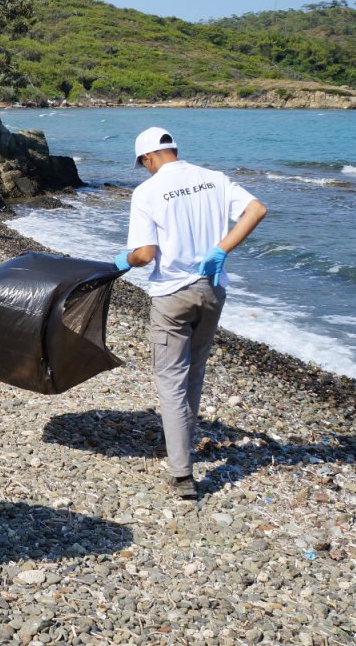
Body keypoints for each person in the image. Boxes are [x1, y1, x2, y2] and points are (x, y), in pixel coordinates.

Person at [114, 127, 267, 499]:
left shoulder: (147, 191)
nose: (145, 169)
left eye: (143, 164)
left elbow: (146, 254)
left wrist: (124, 259)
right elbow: (256, 210)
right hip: (212, 289)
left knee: (170, 380)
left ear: (148, 158)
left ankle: (182, 473)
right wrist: (221, 249)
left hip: (171, 295)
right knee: (194, 372)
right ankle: (181, 439)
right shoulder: (214, 179)